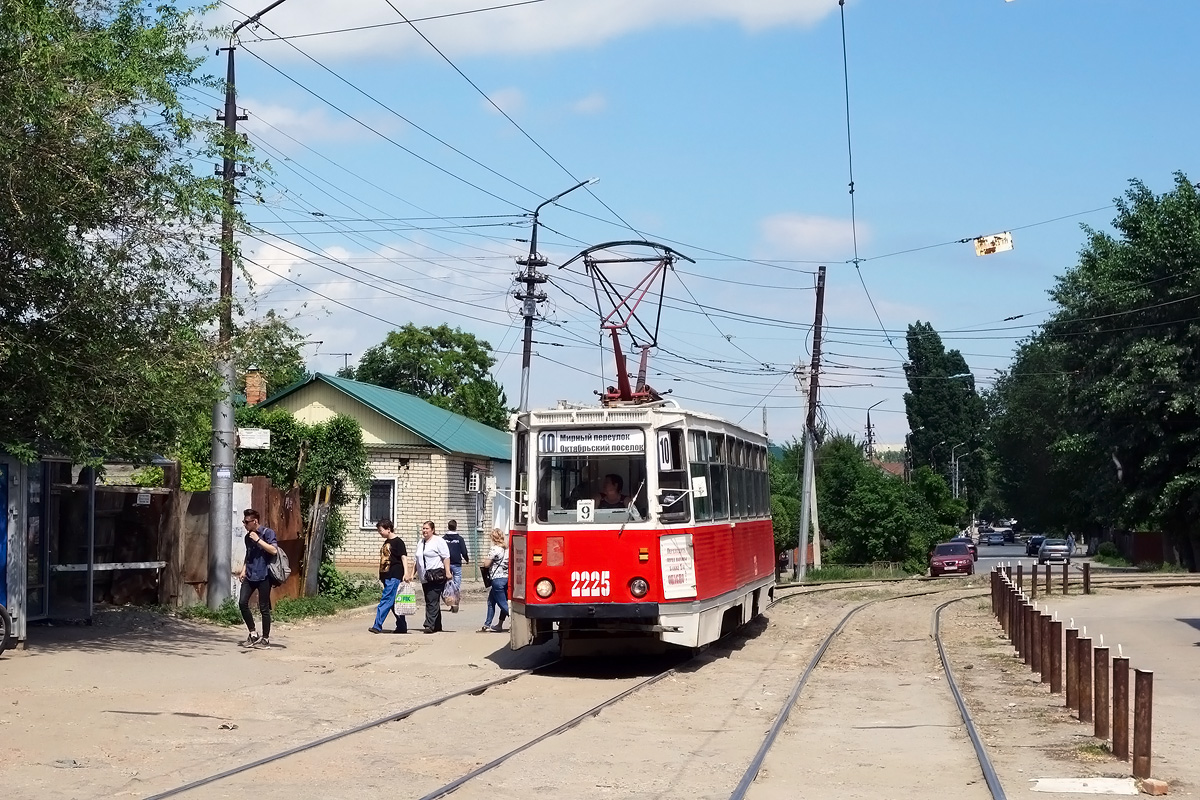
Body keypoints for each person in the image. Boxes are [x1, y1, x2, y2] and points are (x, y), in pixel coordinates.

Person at [238, 508, 278, 648]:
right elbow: (248, 555)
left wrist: (258, 540)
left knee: (264, 608)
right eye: (243, 522)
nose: (245, 524)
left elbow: (274, 550)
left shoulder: (268, 533)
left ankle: (265, 639)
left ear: (255, 521)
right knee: (242, 603)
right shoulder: (247, 537)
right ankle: (253, 633)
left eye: (246, 522)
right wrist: (243, 570)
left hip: (264, 576)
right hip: (250, 575)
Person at [370, 519, 408, 634]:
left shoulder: (398, 542)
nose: (380, 533)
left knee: (386, 600)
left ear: (388, 529)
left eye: (381, 530)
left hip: (394, 575)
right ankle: (402, 627)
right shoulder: (387, 542)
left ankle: (377, 626)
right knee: (394, 602)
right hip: (386, 575)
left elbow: (404, 557)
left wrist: (406, 573)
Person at [416, 520, 452, 634]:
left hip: (436, 575)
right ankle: (437, 625)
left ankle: (429, 625)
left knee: (432, 599)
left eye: (427, 528)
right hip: (424, 577)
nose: (424, 530)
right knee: (431, 600)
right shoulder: (421, 542)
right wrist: (411, 574)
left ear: (432, 530)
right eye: (423, 528)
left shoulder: (438, 541)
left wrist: (448, 572)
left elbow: (446, 557)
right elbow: (417, 560)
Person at [480, 528, 509, 633]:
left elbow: (486, 564)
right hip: (506, 578)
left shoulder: (494, 549)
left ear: (493, 538)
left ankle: (517, 621)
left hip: (497, 579)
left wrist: (485, 561)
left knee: (503, 604)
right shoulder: (507, 550)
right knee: (491, 601)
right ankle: (487, 625)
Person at [442, 519, 470, 613]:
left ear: (448, 527)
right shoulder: (459, 539)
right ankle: (455, 601)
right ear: (456, 527)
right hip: (457, 563)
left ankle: (449, 601)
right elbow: (464, 551)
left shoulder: (443, 539)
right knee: (456, 584)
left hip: (446, 564)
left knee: (447, 584)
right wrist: (467, 559)